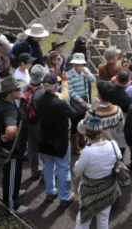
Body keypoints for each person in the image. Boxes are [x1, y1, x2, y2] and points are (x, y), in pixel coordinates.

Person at [35, 72, 77, 207]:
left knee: (48, 166)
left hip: (45, 137)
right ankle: (64, 197)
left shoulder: (39, 100)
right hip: (60, 140)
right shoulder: (59, 103)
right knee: (63, 168)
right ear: (55, 87)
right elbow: (73, 114)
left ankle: (50, 191)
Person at [73, 115, 122, 229]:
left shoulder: (87, 152)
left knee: (83, 221)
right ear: (101, 131)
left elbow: (77, 170)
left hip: (89, 192)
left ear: (87, 133)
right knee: (104, 219)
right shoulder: (112, 145)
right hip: (108, 189)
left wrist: (77, 163)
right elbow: (118, 157)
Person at [0, 75, 30, 215]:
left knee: (13, 175)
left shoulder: (3, 102)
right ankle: (11, 205)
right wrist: (9, 135)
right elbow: (11, 128)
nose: (20, 90)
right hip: (12, 150)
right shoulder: (10, 110)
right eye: (17, 89)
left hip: (11, 149)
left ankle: (13, 191)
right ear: (10, 92)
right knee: (11, 175)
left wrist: (19, 98)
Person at [78, 81, 126, 158]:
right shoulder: (118, 110)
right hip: (112, 149)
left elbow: (81, 129)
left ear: (99, 96)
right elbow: (121, 129)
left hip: (96, 150)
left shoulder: (92, 113)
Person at [66, 53, 97, 155]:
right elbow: (70, 91)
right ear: (74, 65)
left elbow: (93, 80)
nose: (81, 66)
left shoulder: (85, 71)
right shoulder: (69, 74)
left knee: (83, 120)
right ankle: (75, 146)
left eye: (82, 64)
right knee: (74, 123)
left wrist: (87, 72)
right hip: (76, 101)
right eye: (79, 65)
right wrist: (81, 101)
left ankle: (81, 140)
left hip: (85, 99)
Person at [23, 65, 47, 179]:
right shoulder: (41, 92)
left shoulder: (27, 87)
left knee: (32, 148)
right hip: (39, 123)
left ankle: (35, 171)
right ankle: (44, 174)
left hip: (29, 120)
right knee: (43, 149)